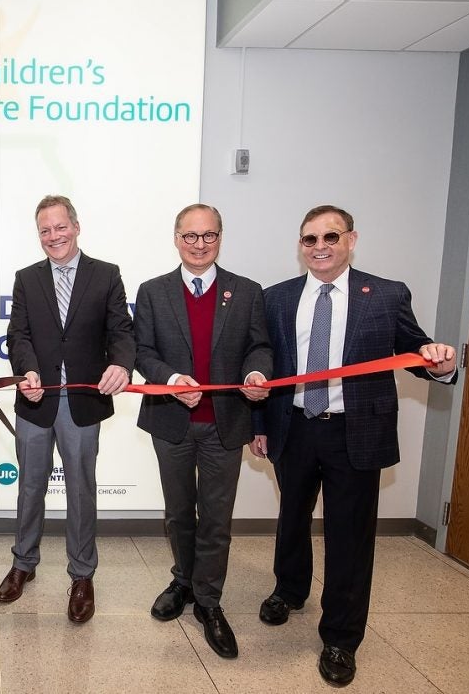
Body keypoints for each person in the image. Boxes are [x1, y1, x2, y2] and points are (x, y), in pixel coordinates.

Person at [251, 205, 456, 687]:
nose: (319, 246)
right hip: (294, 426)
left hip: (355, 431)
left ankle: (341, 637)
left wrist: (440, 364)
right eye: (309, 239)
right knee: (292, 517)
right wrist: (259, 423)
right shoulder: (277, 298)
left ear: (351, 239)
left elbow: (416, 351)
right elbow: (265, 362)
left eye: (330, 236)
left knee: (349, 535)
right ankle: (289, 590)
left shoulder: (385, 294)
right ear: (299, 245)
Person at [133, 203, 272, 659]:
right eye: (190, 236)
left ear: (220, 238)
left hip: (224, 422)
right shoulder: (153, 291)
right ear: (176, 238)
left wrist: (255, 375)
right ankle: (183, 580)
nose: (199, 244)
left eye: (208, 235)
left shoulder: (247, 292)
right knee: (177, 513)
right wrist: (172, 381)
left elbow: (259, 347)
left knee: (216, 517)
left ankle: (209, 602)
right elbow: (143, 351)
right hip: (170, 421)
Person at [0, 194, 135, 623]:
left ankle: (82, 575)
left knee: (80, 490)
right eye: (44, 230)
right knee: (30, 488)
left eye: (60, 227)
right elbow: (18, 334)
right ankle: (23, 563)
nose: (53, 236)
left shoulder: (106, 274)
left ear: (76, 226)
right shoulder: (26, 278)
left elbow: (122, 332)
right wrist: (28, 370)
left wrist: (121, 363)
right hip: (35, 402)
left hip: (82, 403)